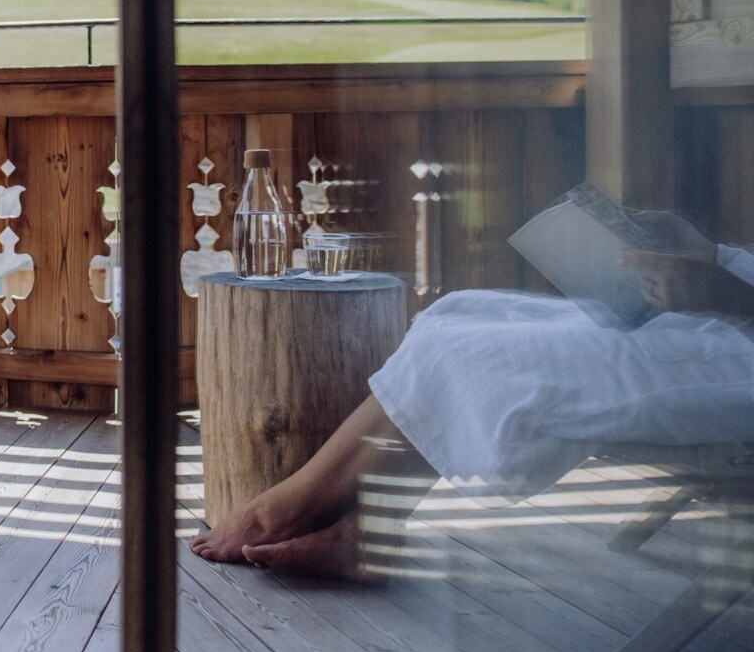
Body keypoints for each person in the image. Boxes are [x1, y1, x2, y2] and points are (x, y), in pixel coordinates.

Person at [192, 244, 754, 577]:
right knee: (461, 315)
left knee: (486, 356)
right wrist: (693, 252)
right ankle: (367, 530)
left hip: (735, 355)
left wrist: (729, 294)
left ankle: (288, 509)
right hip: (709, 323)